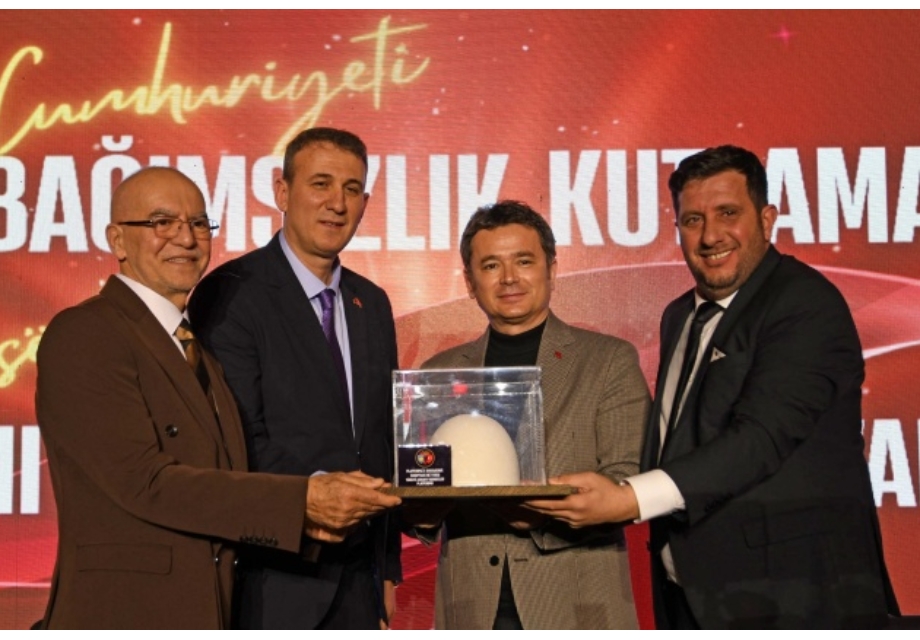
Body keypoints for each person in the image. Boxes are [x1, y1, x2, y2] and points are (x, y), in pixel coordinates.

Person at [528, 145, 900, 629]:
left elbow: (760, 438)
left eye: (728, 213)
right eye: (693, 220)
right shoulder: (679, 315)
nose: (710, 236)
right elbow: (678, 443)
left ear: (766, 219)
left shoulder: (804, 303)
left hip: (796, 599)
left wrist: (628, 498)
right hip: (693, 596)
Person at [35, 166, 399, 629]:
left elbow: (226, 473)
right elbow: (143, 482)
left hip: (207, 610)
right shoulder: (86, 332)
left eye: (198, 223)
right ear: (117, 240)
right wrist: (300, 502)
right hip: (125, 611)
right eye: (161, 222)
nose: (186, 238)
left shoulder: (196, 346)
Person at [188, 128, 401, 629]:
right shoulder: (231, 294)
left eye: (352, 189)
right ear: (282, 192)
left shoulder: (371, 303)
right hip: (274, 577)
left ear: (366, 203)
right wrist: (318, 496)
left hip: (361, 583)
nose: (337, 203)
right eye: (320, 184)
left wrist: (388, 569)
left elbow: (382, 441)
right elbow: (236, 440)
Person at [412, 200, 649, 629]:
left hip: (576, 603)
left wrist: (545, 512)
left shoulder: (608, 361)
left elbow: (629, 481)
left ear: (551, 269)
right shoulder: (438, 375)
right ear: (469, 282)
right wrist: (423, 507)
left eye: (523, 261)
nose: (509, 278)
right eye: (490, 265)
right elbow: (419, 496)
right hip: (472, 605)